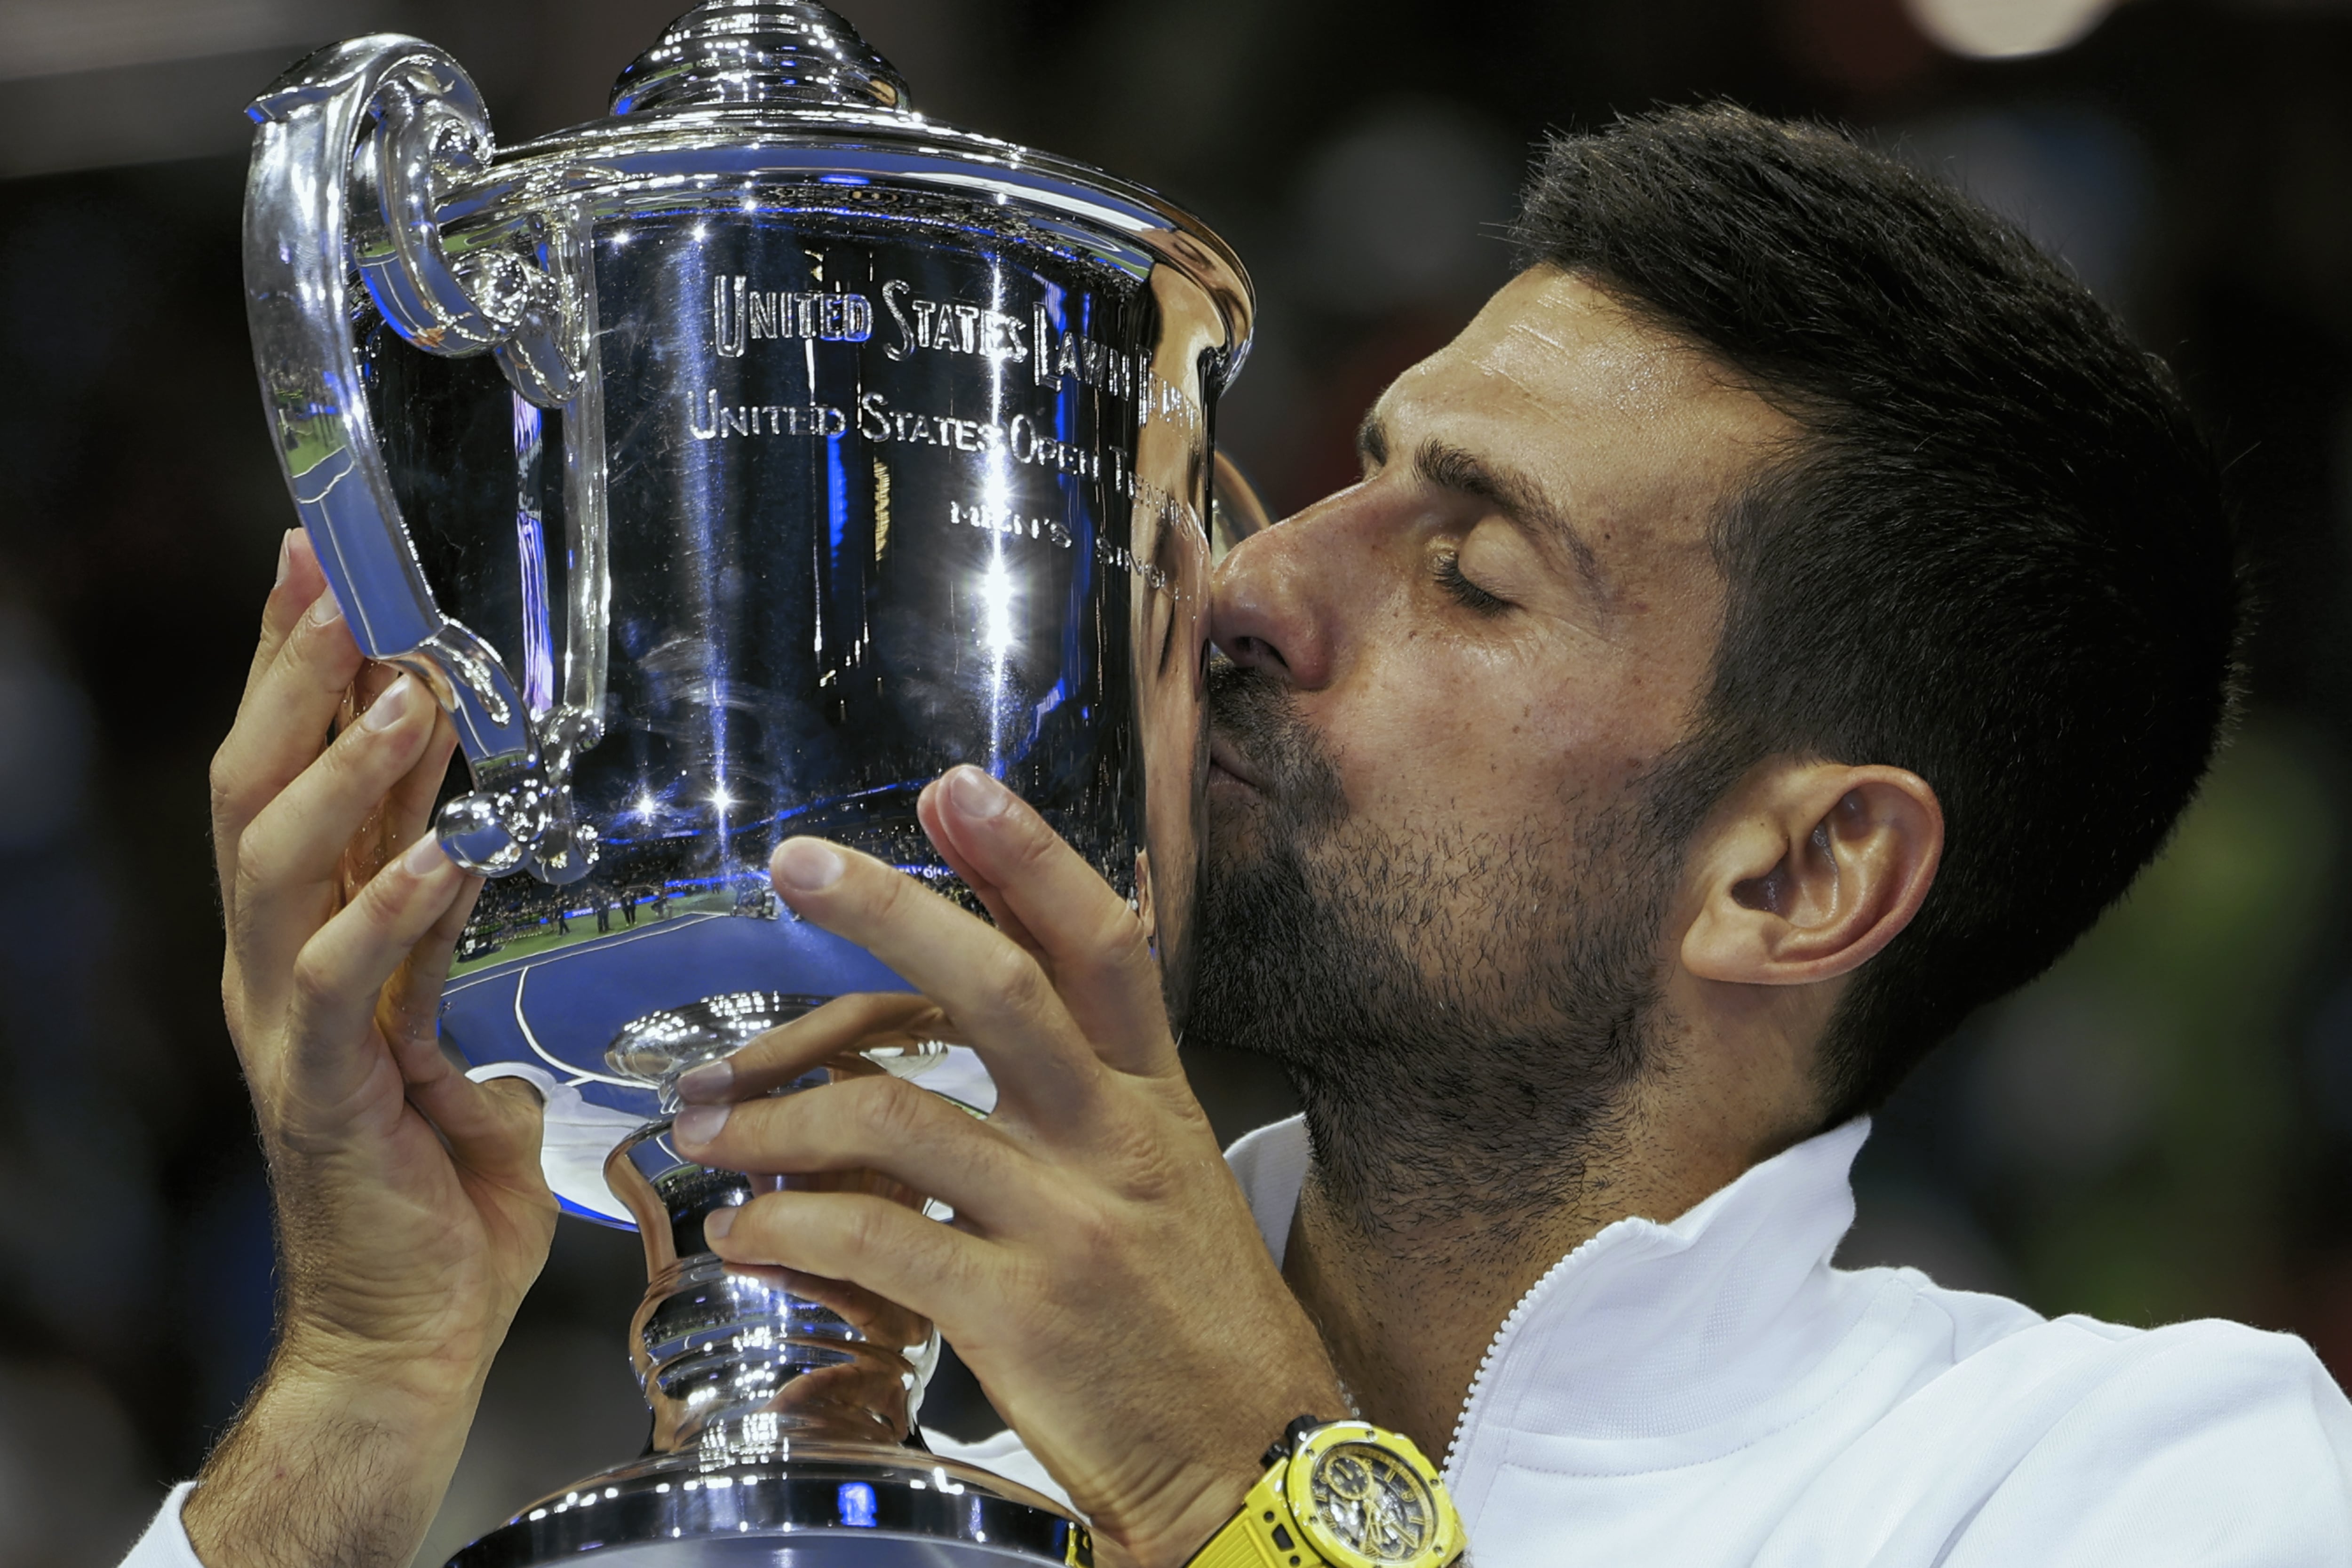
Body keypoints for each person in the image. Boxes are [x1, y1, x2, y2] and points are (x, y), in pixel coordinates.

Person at [121, 107, 2351, 1568]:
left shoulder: (2139, 1490)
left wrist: (1250, 1500)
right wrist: (356, 1387)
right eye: (1349, 476)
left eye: (1471, 574)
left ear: (1792, 876)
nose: (1249, 586)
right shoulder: (910, 1508)